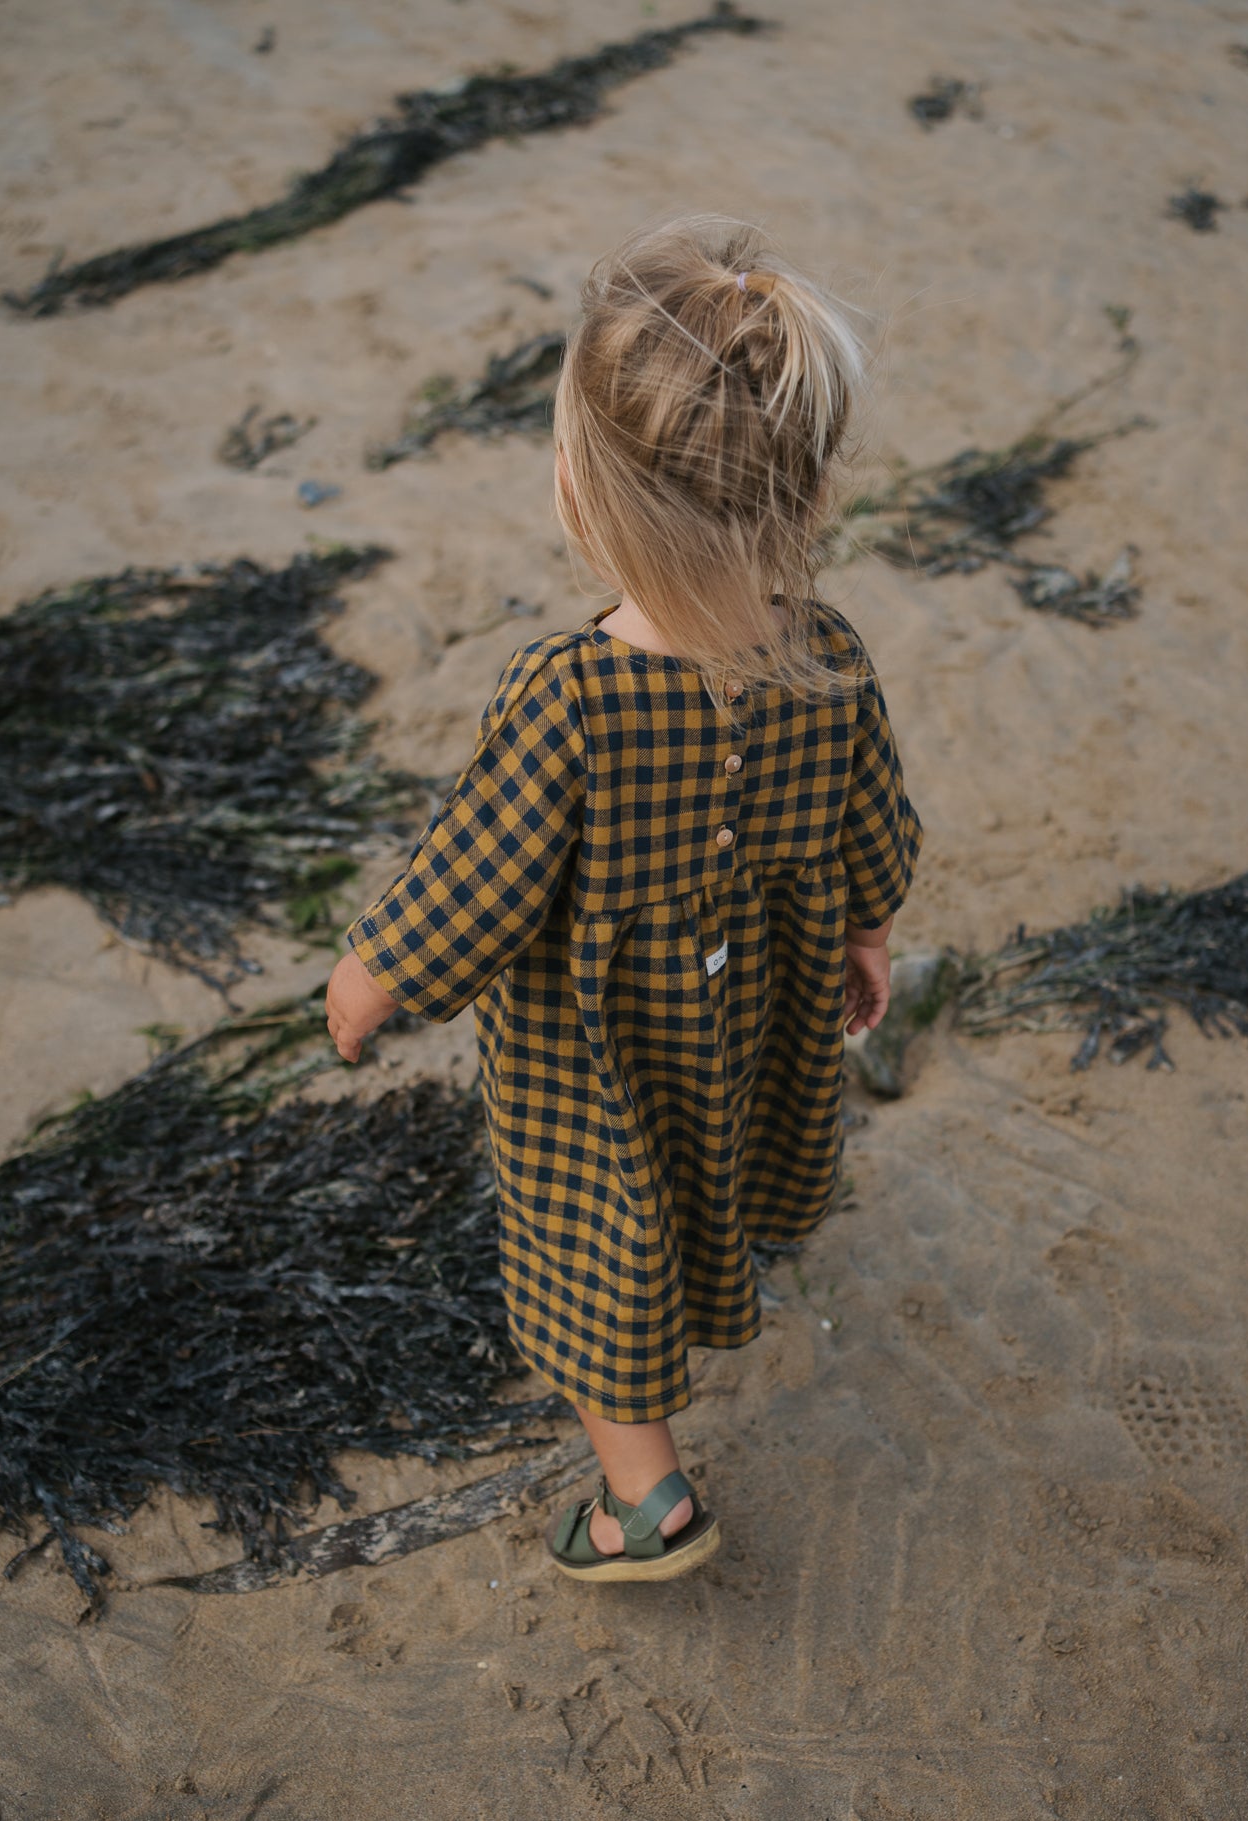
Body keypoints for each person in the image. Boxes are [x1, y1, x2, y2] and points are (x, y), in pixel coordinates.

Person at [326, 217, 922, 1582]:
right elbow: (872, 818)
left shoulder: (569, 696)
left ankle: (643, 1500)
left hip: (593, 1059)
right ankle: (697, 1347)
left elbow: (466, 884)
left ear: (587, 501)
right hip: (751, 1013)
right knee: (712, 1173)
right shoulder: (825, 653)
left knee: (601, 1240)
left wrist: (361, 985)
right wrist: (865, 923)